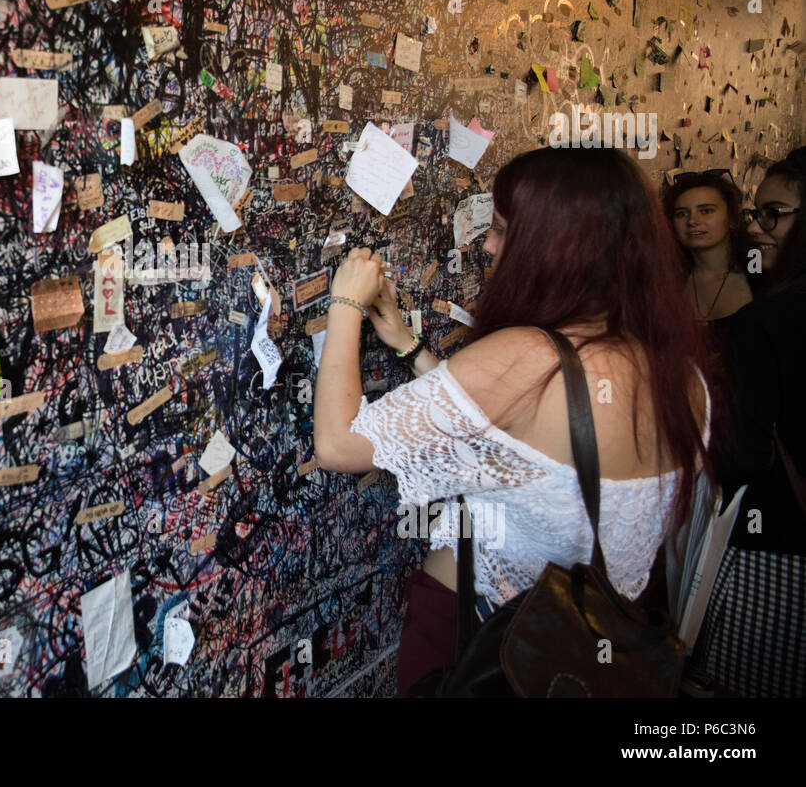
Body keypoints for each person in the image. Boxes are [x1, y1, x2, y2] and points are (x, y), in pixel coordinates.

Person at [313, 146, 712, 696]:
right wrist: (409, 348)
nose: (490, 245)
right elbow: (521, 436)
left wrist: (344, 304)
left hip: (482, 644)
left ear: (556, 246)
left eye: (502, 230)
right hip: (587, 646)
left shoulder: (526, 358)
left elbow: (337, 444)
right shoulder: (682, 378)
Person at [693, 146, 806, 697]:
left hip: (776, 541)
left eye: (776, 214)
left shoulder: (770, 313)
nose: (764, 230)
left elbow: (744, 449)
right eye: (759, 214)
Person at [662, 170, 754, 331]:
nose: (692, 221)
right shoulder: (666, 282)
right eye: (681, 214)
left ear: (732, 218)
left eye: (706, 211)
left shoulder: (758, 273)